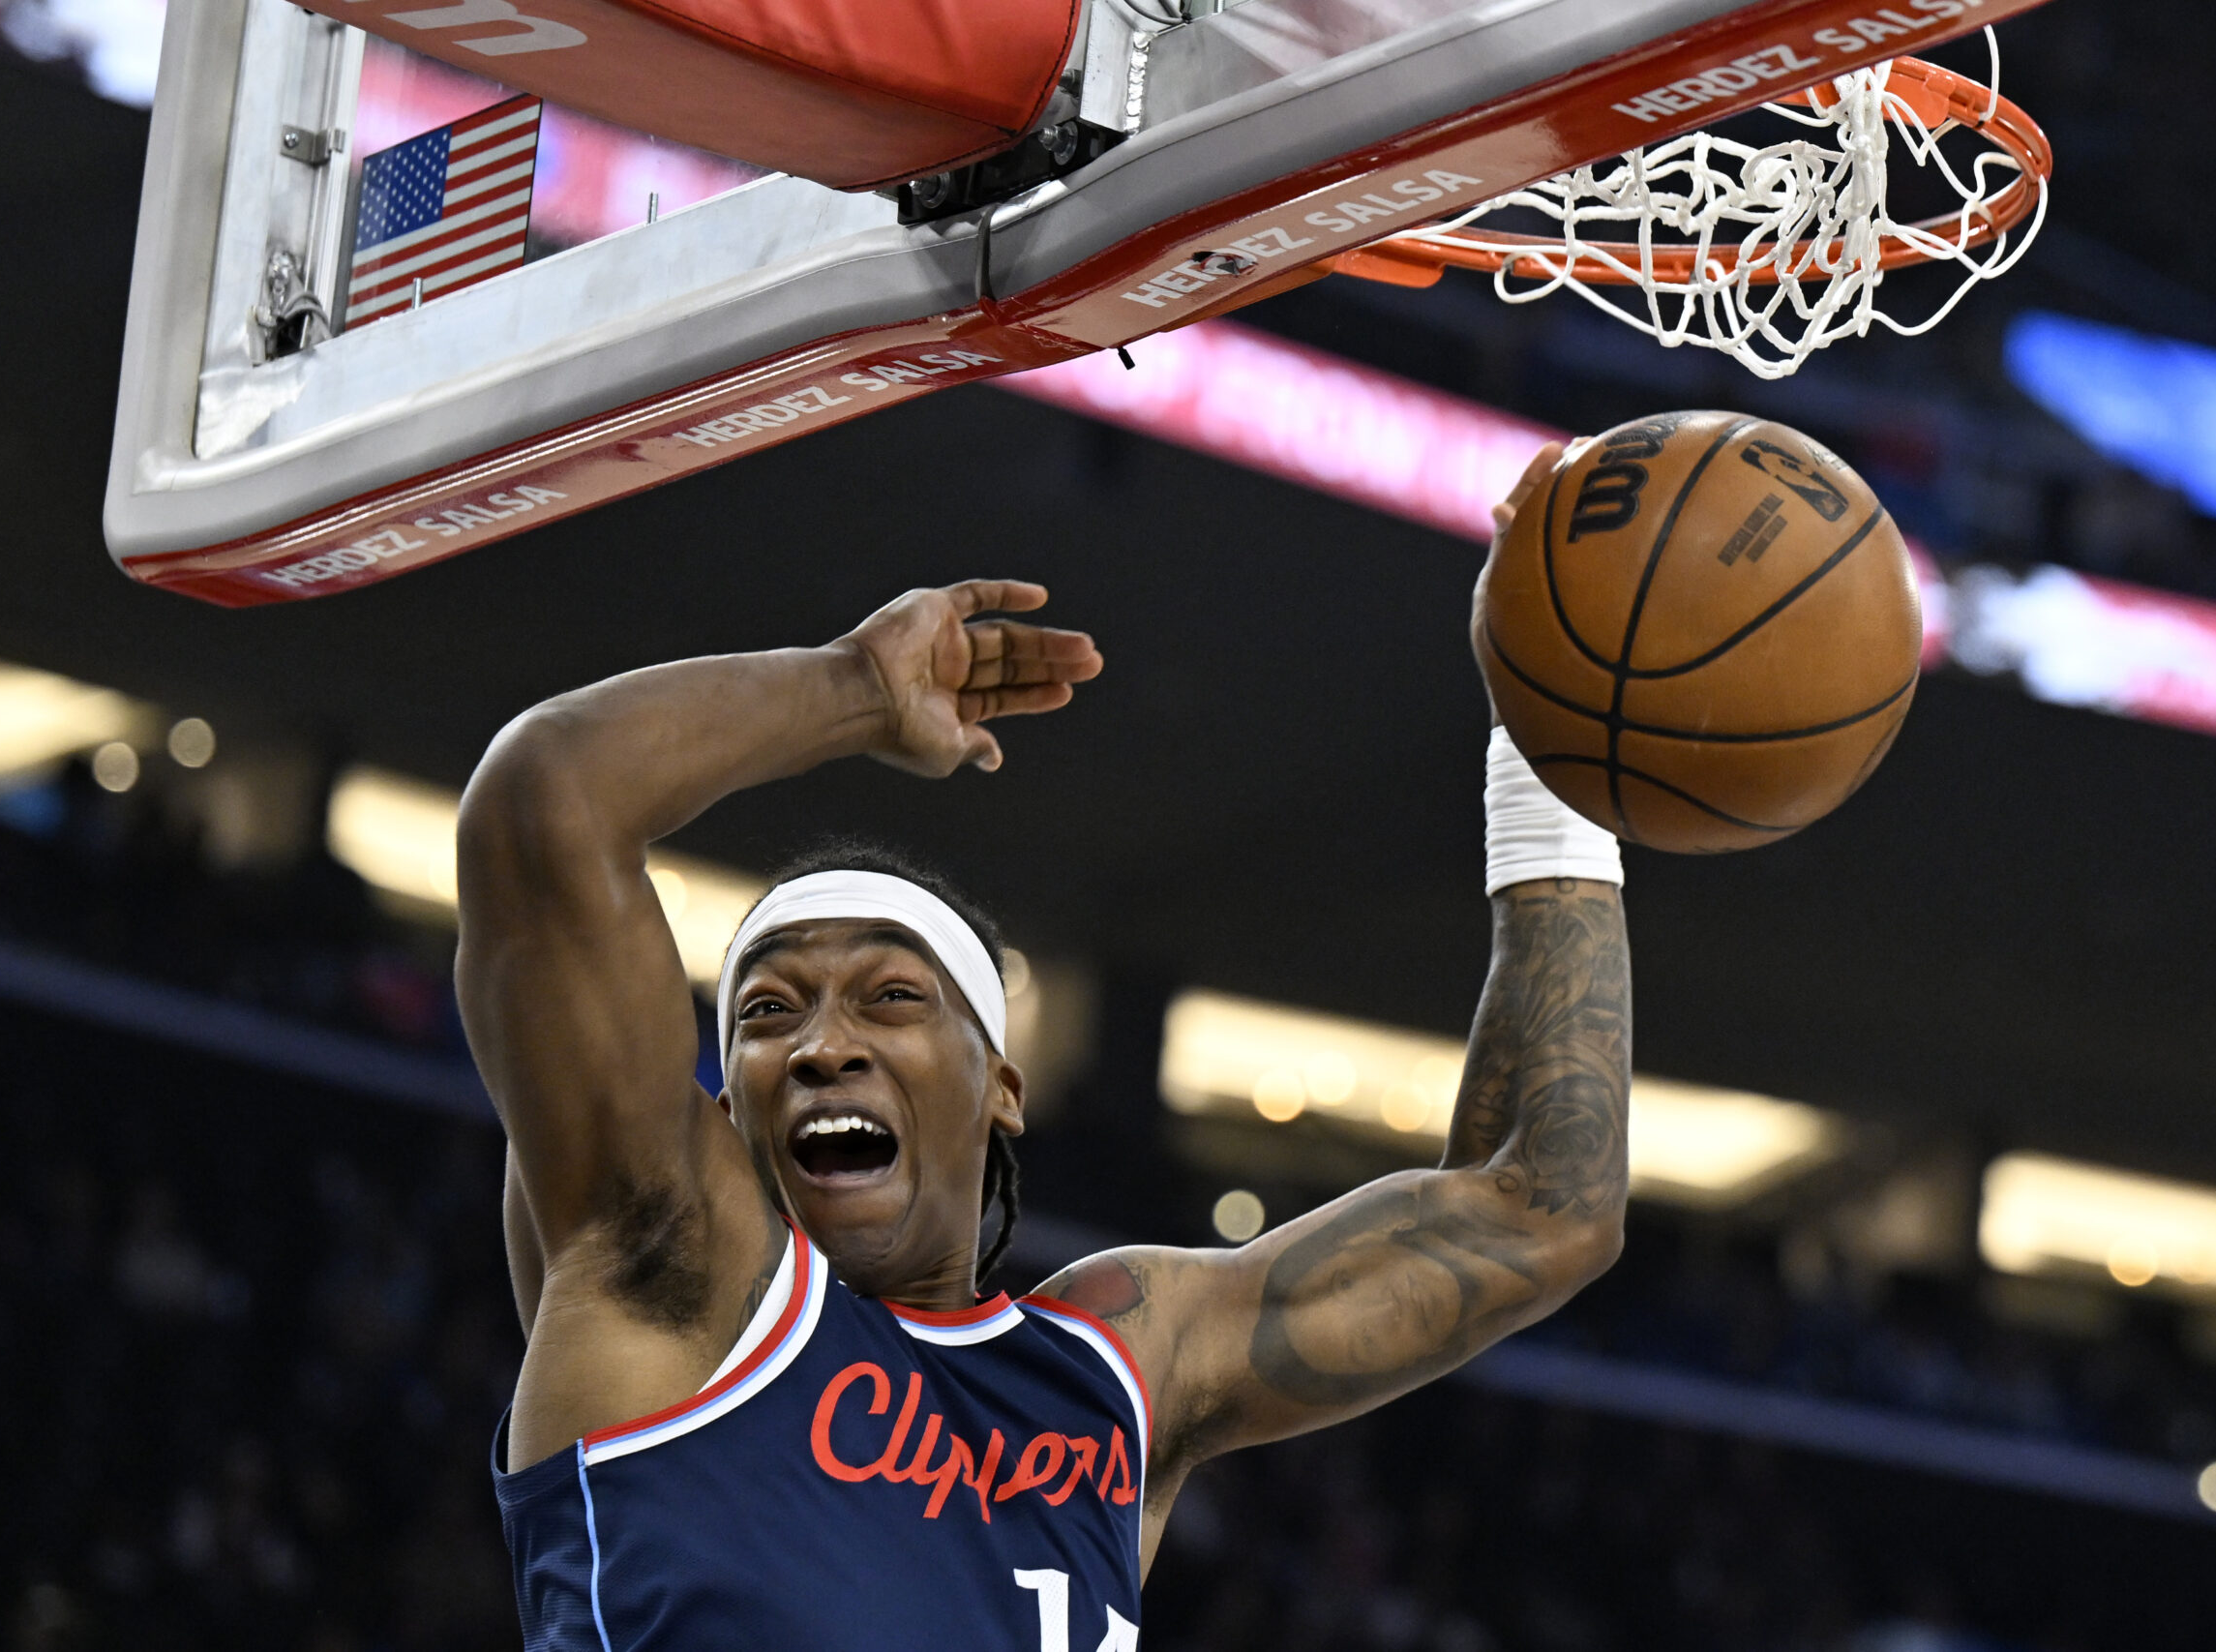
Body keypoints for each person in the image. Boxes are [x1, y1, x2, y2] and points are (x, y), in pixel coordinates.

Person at [461, 444, 1631, 1649]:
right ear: (721, 1103)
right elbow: (548, 802)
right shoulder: (668, 1267)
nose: (820, 1045)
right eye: (766, 1013)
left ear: (1004, 1088)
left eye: (890, 999)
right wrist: (857, 687)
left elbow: (1545, 1206)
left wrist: (1547, 765)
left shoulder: (1116, 1368)